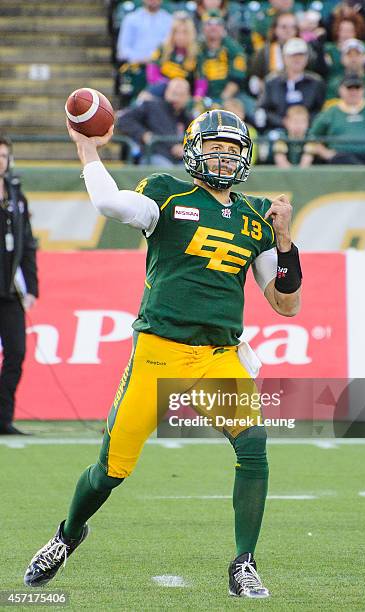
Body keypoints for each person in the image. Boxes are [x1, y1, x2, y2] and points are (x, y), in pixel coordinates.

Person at [24, 109, 302, 598]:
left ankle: (244, 563)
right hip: (159, 350)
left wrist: (285, 241)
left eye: (232, 149)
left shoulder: (257, 215)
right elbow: (110, 203)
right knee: (111, 468)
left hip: (218, 355)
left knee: (254, 446)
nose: (224, 157)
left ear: (247, 156)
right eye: (214, 147)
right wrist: (87, 146)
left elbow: (286, 304)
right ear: (194, 150)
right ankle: (67, 534)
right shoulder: (167, 193)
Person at [0, 136, 38, 435]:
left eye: (3, 156)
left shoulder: (15, 195)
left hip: (9, 290)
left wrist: (32, 287)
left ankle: (4, 418)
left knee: (17, 352)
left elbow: (27, 243)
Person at [116, 78, 192, 166]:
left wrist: (185, 149)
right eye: (174, 93)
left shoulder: (188, 117)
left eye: (181, 94)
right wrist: (143, 134)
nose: (176, 98)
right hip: (154, 155)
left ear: (188, 96)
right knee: (166, 171)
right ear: (166, 92)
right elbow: (124, 119)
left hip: (179, 160)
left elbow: (196, 141)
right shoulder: (151, 106)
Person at [255, 37, 325, 130]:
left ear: (307, 58)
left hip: (309, 130)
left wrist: (303, 121)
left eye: (301, 56)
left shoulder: (316, 82)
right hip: (278, 129)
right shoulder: (272, 82)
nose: (297, 59)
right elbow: (264, 109)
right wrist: (283, 121)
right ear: (284, 57)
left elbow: (320, 109)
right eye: (293, 56)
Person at [116, 0, 173, 103]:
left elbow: (170, 48)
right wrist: (143, 59)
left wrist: (155, 60)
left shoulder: (169, 20)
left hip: (162, 69)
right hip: (137, 68)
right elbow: (123, 50)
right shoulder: (131, 19)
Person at [194, 10, 247, 108]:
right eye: (209, 24)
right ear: (202, 27)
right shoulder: (196, 48)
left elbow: (236, 80)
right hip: (202, 96)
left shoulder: (234, 48)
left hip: (230, 96)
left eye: (218, 24)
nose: (213, 27)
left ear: (223, 27)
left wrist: (222, 100)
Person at [325, 38, 365, 105]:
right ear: (342, 59)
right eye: (349, 55)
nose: (353, 59)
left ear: (364, 57)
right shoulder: (333, 84)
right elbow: (330, 109)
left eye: (357, 54)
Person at [146, 12, 198, 92]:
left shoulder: (196, 53)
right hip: (162, 91)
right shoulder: (162, 49)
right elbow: (152, 76)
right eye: (176, 32)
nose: (180, 37)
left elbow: (200, 81)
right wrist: (170, 85)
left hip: (185, 94)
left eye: (185, 32)